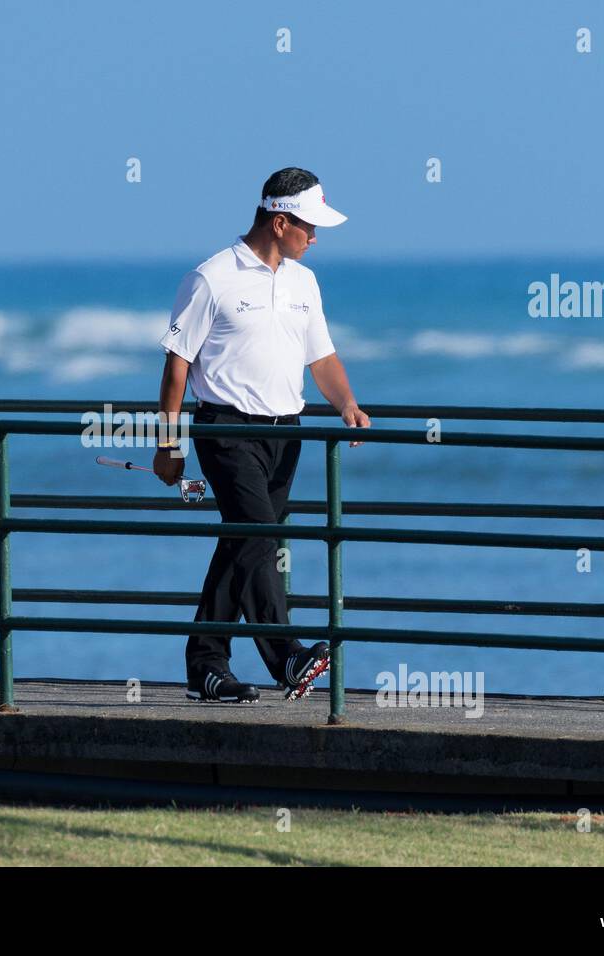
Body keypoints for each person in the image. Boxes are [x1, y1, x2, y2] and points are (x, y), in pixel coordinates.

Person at [153, 167, 371, 703]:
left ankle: (206, 664)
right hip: (225, 430)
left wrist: (346, 404)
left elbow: (321, 357)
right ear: (279, 222)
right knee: (259, 536)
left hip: (285, 434)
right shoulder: (210, 278)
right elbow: (177, 365)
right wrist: (168, 444)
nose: (315, 237)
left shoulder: (304, 281)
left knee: (246, 541)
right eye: (309, 227)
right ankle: (288, 655)